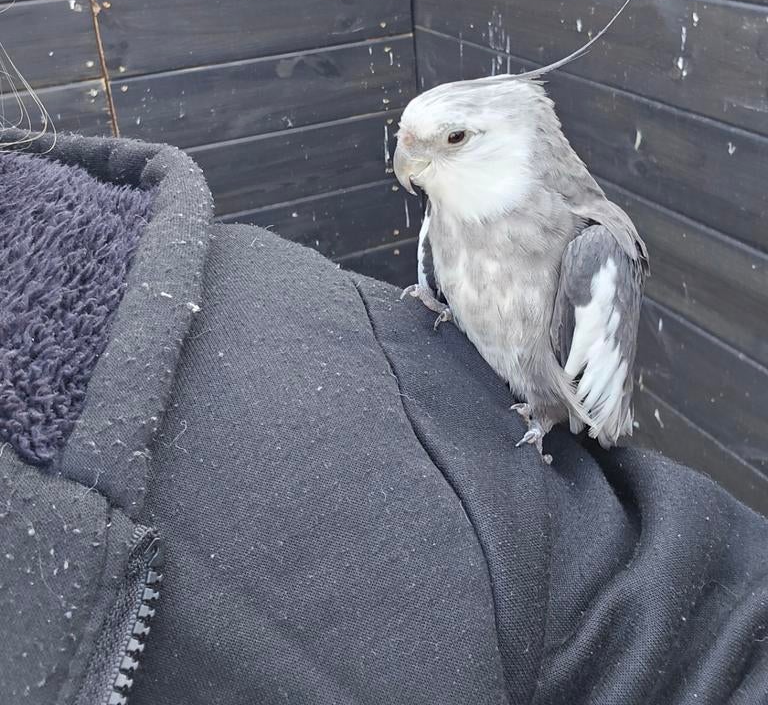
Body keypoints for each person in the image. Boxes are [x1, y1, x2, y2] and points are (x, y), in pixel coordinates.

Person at [1, 126, 767, 705]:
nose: (411, 165)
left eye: (451, 140)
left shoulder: (587, 250)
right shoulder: (436, 240)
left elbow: (690, 632)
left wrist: (533, 437)